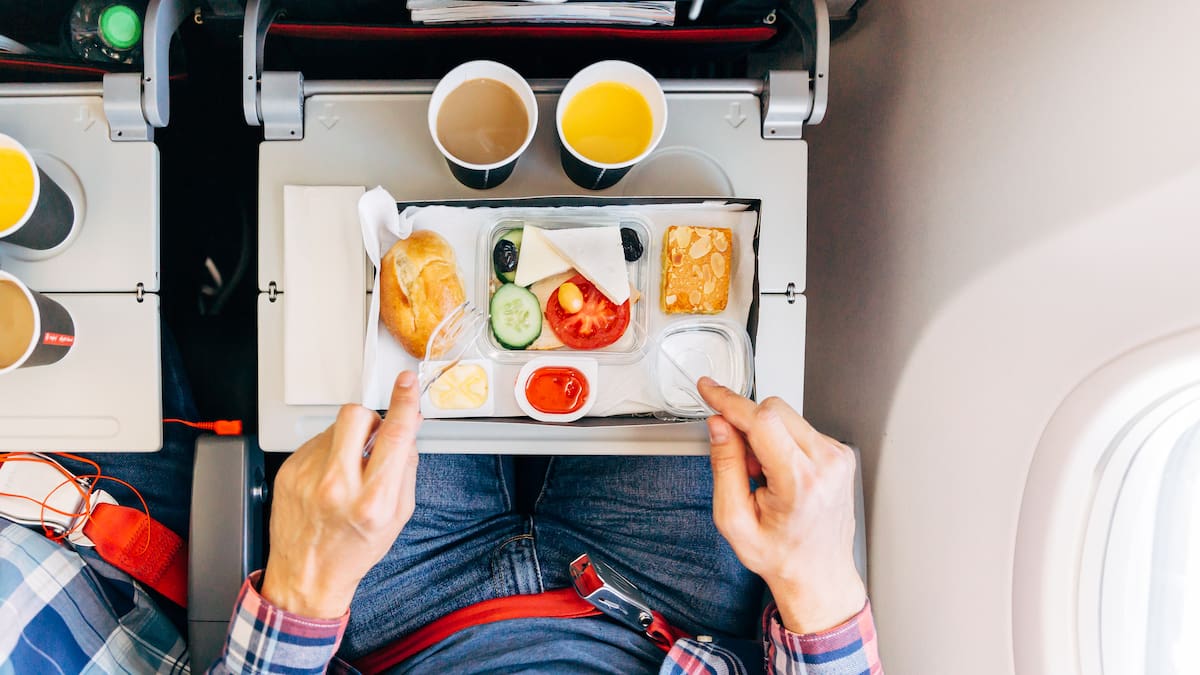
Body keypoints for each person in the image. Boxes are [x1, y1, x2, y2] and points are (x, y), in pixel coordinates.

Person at [0, 365, 882, 674]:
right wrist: (819, 581)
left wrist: (306, 584)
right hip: (665, 611)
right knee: (672, 328)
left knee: (387, 327)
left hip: (408, 619)